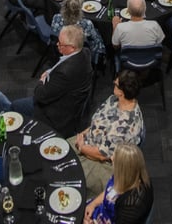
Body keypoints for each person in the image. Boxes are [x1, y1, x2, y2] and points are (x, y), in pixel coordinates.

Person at [68, 70, 144, 198]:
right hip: (88, 142)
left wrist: (81, 147)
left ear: (122, 92)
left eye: (116, 84)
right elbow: (98, 121)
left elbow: (102, 155)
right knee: (59, 148)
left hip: (101, 163)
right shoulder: (114, 100)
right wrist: (83, 134)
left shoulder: (123, 127)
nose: (113, 82)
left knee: (65, 171)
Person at [12, 25, 93, 137]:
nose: (57, 45)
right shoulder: (85, 52)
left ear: (72, 48)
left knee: (15, 106)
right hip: (73, 108)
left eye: (60, 44)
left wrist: (41, 80)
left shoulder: (65, 73)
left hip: (55, 116)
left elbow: (40, 95)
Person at [85, 144, 153, 224]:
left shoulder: (132, 204)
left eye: (114, 159)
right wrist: (92, 205)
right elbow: (109, 191)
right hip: (101, 211)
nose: (111, 158)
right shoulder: (126, 175)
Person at [51, 0, 105, 65]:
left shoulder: (56, 18)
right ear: (79, 10)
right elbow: (94, 41)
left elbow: (54, 33)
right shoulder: (86, 24)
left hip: (62, 49)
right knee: (98, 37)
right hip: (81, 54)